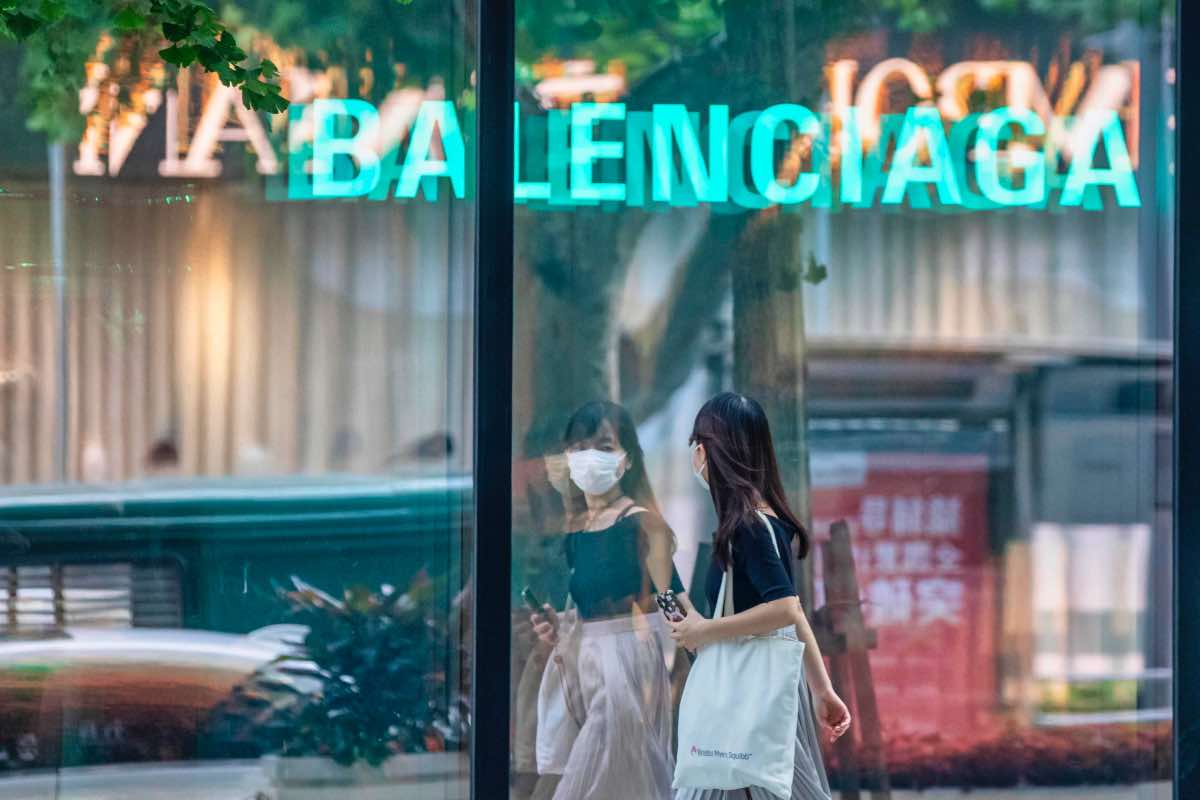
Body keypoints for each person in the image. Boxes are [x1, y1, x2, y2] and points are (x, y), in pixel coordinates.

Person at [669, 392, 852, 800]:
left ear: (709, 450)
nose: (695, 454)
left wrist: (706, 630)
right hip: (753, 693)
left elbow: (784, 608)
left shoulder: (750, 526)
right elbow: (794, 611)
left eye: (698, 443)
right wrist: (823, 690)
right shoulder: (760, 521)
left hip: (745, 695)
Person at [531, 400, 691, 800]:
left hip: (627, 664)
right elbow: (581, 606)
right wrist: (556, 624)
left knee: (601, 774)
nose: (590, 459)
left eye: (604, 447)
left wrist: (705, 655)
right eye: (580, 447)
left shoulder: (640, 523)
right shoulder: (576, 529)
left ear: (627, 460)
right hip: (584, 665)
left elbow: (672, 603)